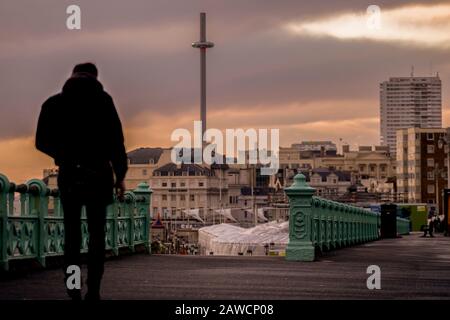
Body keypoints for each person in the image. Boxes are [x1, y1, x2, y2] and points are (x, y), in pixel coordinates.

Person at [35, 63, 128, 300]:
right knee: (97, 236)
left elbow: (41, 141)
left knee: (72, 236)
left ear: (72, 76)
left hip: (70, 176)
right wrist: (121, 176)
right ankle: (93, 290)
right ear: (95, 77)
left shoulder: (54, 103)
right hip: (99, 176)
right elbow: (117, 141)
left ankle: (73, 288)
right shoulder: (104, 101)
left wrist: (63, 155)